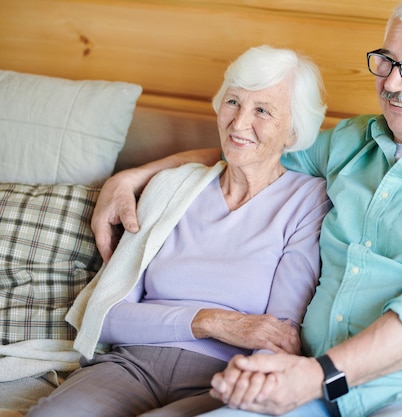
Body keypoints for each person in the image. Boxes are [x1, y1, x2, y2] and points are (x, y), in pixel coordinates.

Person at [90, 1, 402, 416]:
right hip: (311, 393)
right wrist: (130, 176)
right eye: (388, 61)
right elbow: (251, 145)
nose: (392, 82)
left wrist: (317, 375)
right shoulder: (353, 142)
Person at [26, 45, 331, 417]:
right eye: (233, 101)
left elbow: (279, 337)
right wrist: (213, 322)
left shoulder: (307, 201)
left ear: (293, 131)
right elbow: (106, 316)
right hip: (131, 366)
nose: (238, 123)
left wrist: (247, 386)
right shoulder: (175, 188)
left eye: (262, 110)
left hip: (224, 377)